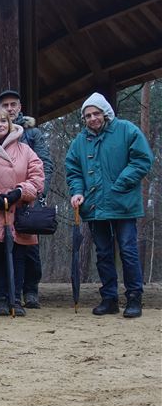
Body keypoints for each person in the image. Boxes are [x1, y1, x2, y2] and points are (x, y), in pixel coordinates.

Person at [66, 93, 153, 318]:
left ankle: (134, 297)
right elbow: (73, 170)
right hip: (94, 208)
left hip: (123, 203)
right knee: (103, 253)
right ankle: (109, 298)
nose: (92, 118)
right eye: (88, 115)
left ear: (105, 113)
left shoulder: (126, 130)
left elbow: (143, 160)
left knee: (128, 250)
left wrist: (121, 182)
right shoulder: (79, 142)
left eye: (96, 113)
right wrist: (77, 191)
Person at [0, 108, 44, 316]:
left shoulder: (25, 150)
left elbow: (37, 177)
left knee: (19, 256)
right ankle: (1, 299)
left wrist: (20, 192)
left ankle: (16, 298)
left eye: (3, 121)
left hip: (19, 211)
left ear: (9, 124)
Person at [0, 90, 54, 309]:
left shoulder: (33, 134)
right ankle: (10, 291)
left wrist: (37, 192)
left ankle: (31, 290)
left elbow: (45, 163)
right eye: (5, 105)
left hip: (28, 198)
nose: (10, 109)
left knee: (30, 249)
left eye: (13, 105)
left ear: (20, 107)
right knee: (4, 246)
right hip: (1, 201)